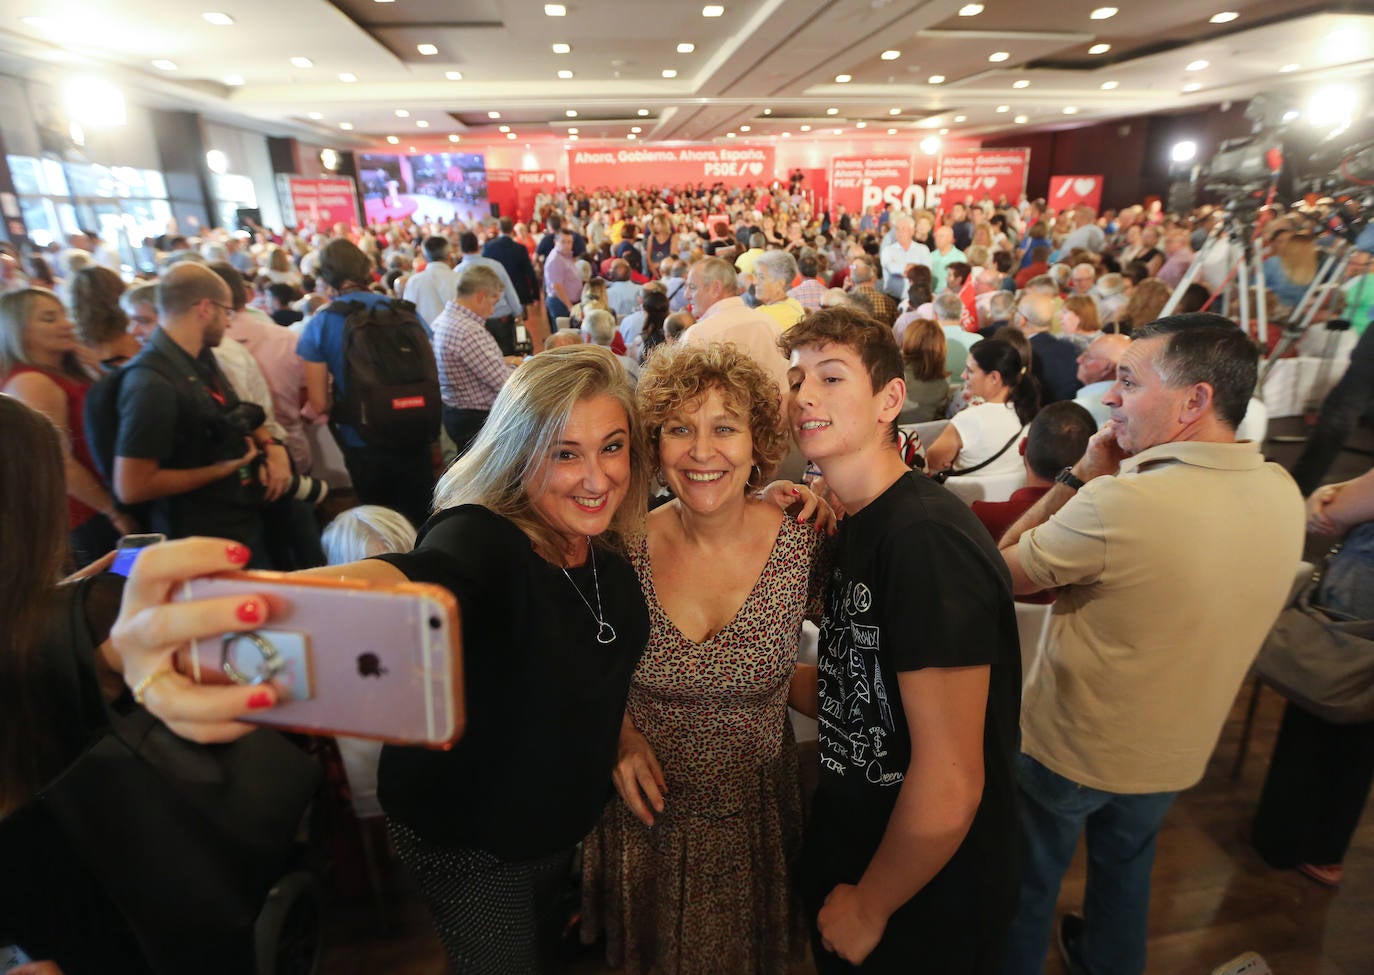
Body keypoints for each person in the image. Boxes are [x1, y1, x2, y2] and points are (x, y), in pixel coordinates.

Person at [996, 314, 1304, 975]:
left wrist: (1079, 474)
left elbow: (998, 568)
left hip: (1073, 747)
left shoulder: (1122, 504)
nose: (1111, 397)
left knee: (1025, 884)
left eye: (1129, 382)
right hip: (1176, 749)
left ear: (1195, 400)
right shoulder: (1283, 491)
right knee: (1125, 871)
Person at [781, 308, 1021, 972]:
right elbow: (855, 694)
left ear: (891, 399)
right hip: (862, 850)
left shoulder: (925, 540)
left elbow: (951, 774)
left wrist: (872, 903)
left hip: (925, 893)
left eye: (832, 376)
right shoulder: (861, 521)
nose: (804, 395)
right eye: (798, 377)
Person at [581, 342, 825, 975]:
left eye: (725, 428)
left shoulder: (806, 543)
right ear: (654, 446)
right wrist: (618, 733)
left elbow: (854, 669)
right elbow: (573, 669)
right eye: (678, 429)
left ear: (757, 442)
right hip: (645, 823)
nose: (701, 451)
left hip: (756, 825)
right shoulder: (619, 545)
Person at [1251, 465, 1374, 889]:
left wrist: (1330, 494)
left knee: (1322, 705)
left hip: (1362, 597)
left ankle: (1286, 842)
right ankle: (1327, 850)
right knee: (1361, 726)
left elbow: (1336, 510)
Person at [299, 239, 436, 532]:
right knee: (423, 514)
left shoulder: (321, 323)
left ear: (327, 276)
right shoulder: (404, 311)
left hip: (364, 439)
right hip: (417, 428)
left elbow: (319, 402)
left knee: (381, 522)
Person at [1, 288, 132, 567]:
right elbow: (59, 462)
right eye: (49, 319)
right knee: (112, 592)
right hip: (84, 514)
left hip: (102, 502)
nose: (66, 324)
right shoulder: (31, 382)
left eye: (64, 315)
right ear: (17, 330)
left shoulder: (65, 370)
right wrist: (113, 511)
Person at [431, 264, 520, 456]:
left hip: (457, 412)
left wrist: (505, 360)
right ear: (481, 295)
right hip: (477, 420)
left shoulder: (444, 320)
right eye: (493, 301)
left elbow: (469, 363)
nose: (492, 310)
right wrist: (525, 369)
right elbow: (505, 384)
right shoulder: (468, 331)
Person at [924, 338, 1038, 477]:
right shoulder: (1032, 417)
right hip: (1012, 495)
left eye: (970, 371)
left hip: (963, 496)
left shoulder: (968, 420)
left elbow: (931, 461)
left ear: (994, 377)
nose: (963, 375)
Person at [896, 318, 950, 424]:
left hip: (893, 435)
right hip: (925, 437)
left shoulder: (893, 374)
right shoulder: (943, 384)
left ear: (908, 341)